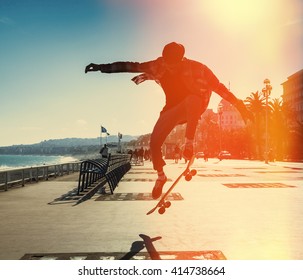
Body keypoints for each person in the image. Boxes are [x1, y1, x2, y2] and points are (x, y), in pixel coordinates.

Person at [85, 42, 252, 199]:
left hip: (192, 107)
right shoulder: (158, 64)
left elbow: (220, 88)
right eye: (167, 63)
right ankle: (161, 176)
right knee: (154, 142)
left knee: (193, 99)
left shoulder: (198, 68)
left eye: (173, 65)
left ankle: (189, 143)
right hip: (171, 110)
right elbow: (130, 66)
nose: (170, 68)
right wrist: (101, 68)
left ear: (181, 60)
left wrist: (241, 107)